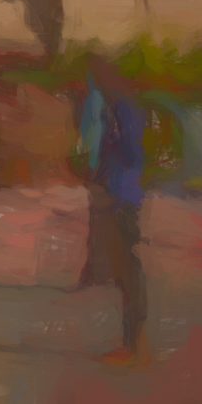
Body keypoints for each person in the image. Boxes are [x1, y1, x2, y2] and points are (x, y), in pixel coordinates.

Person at [80, 56, 147, 356]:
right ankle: (131, 337)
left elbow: (126, 152)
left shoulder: (119, 108)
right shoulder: (127, 105)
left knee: (127, 266)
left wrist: (101, 176)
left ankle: (132, 339)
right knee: (126, 264)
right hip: (125, 191)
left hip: (121, 193)